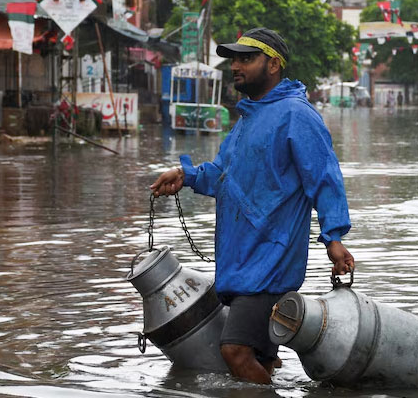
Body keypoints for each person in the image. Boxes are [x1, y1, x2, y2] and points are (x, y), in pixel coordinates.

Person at [150, 28, 354, 384]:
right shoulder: (247, 119)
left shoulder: (296, 115)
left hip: (270, 265)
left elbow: (324, 178)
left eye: (246, 58)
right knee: (259, 359)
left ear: (273, 64)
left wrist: (333, 239)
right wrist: (186, 176)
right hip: (243, 261)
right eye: (234, 59)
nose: (235, 66)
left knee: (234, 351)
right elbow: (224, 175)